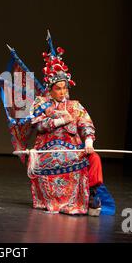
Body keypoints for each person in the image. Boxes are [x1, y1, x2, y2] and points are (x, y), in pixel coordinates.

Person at [28, 47, 103, 216]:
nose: (62, 92)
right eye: (58, 88)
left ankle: (91, 195)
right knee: (57, 159)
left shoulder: (74, 105)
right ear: (50, 89)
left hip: (73, 148)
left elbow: (85, 123)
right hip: (48, 149)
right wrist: (61, 120)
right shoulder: (41, 104)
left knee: (94, 158)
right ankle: (53, 200)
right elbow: (37, 125)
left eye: (64, 88)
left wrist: (89, 141)